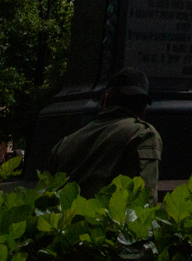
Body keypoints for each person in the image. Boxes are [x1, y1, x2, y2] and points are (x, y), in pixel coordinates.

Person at [46, 68, 163, 198]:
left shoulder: (64, 144)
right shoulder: (143, 135)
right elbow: (143, 200)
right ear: (142, 106)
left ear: (105, 100)